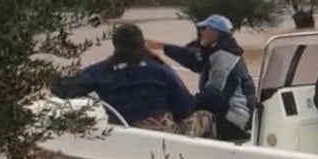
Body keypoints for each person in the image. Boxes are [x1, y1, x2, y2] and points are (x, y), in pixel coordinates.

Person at [52, 24, 204, 136]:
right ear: (142, 42)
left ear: (115, 45)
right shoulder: (160, 69)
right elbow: (185, 108)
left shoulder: (100, 71)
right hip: (163, 133)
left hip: (123, 132)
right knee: (207, 117)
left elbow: (62, 90)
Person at [146, 15, 257, 142]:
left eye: (204, 29)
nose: (201, 32)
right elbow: (192, 58)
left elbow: (214, 94)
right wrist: (163, 47)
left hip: (233, 119)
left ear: (215, 32)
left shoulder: (223, 56)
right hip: (230, 114)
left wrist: (188, 105)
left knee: (182, 126)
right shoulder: (218, 52)